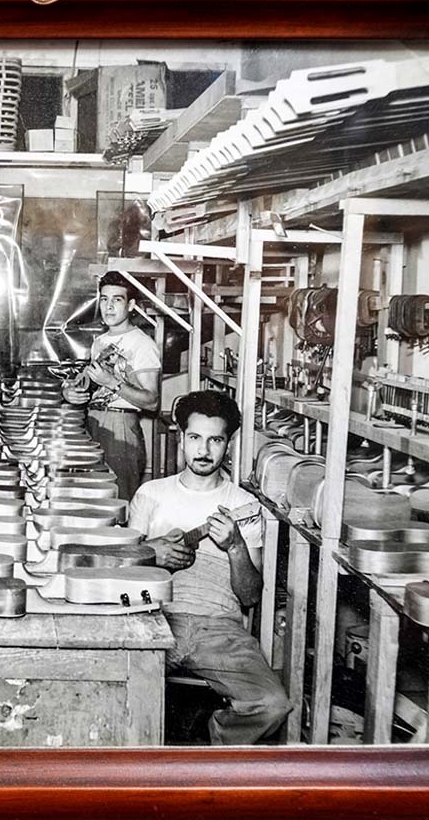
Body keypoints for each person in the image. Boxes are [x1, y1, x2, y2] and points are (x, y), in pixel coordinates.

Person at [127, 390, 290, 745]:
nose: (203, 450)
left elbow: (249, 596)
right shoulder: (151, 494)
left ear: (227, 444)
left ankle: (213, 744)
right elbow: (122, 573)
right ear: (181, 438)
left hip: (218, 629)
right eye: (195, 438)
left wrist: (234, 546)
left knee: (272, 704)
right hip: (154, 616)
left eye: (215, 439)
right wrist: (151, 554)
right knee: (115, 690)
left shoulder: (243, 504)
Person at [62, 271, 161, 501]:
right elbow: (93, 385)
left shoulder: (142, 344)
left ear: (131, 305)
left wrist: (112, 382)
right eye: (104, 299)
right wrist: (70, 392)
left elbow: (152, 400)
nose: (109, 307)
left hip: (121, 428)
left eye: (117, 299)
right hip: (93, 422)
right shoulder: (100, 341)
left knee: (117, 501)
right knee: (94, 502)